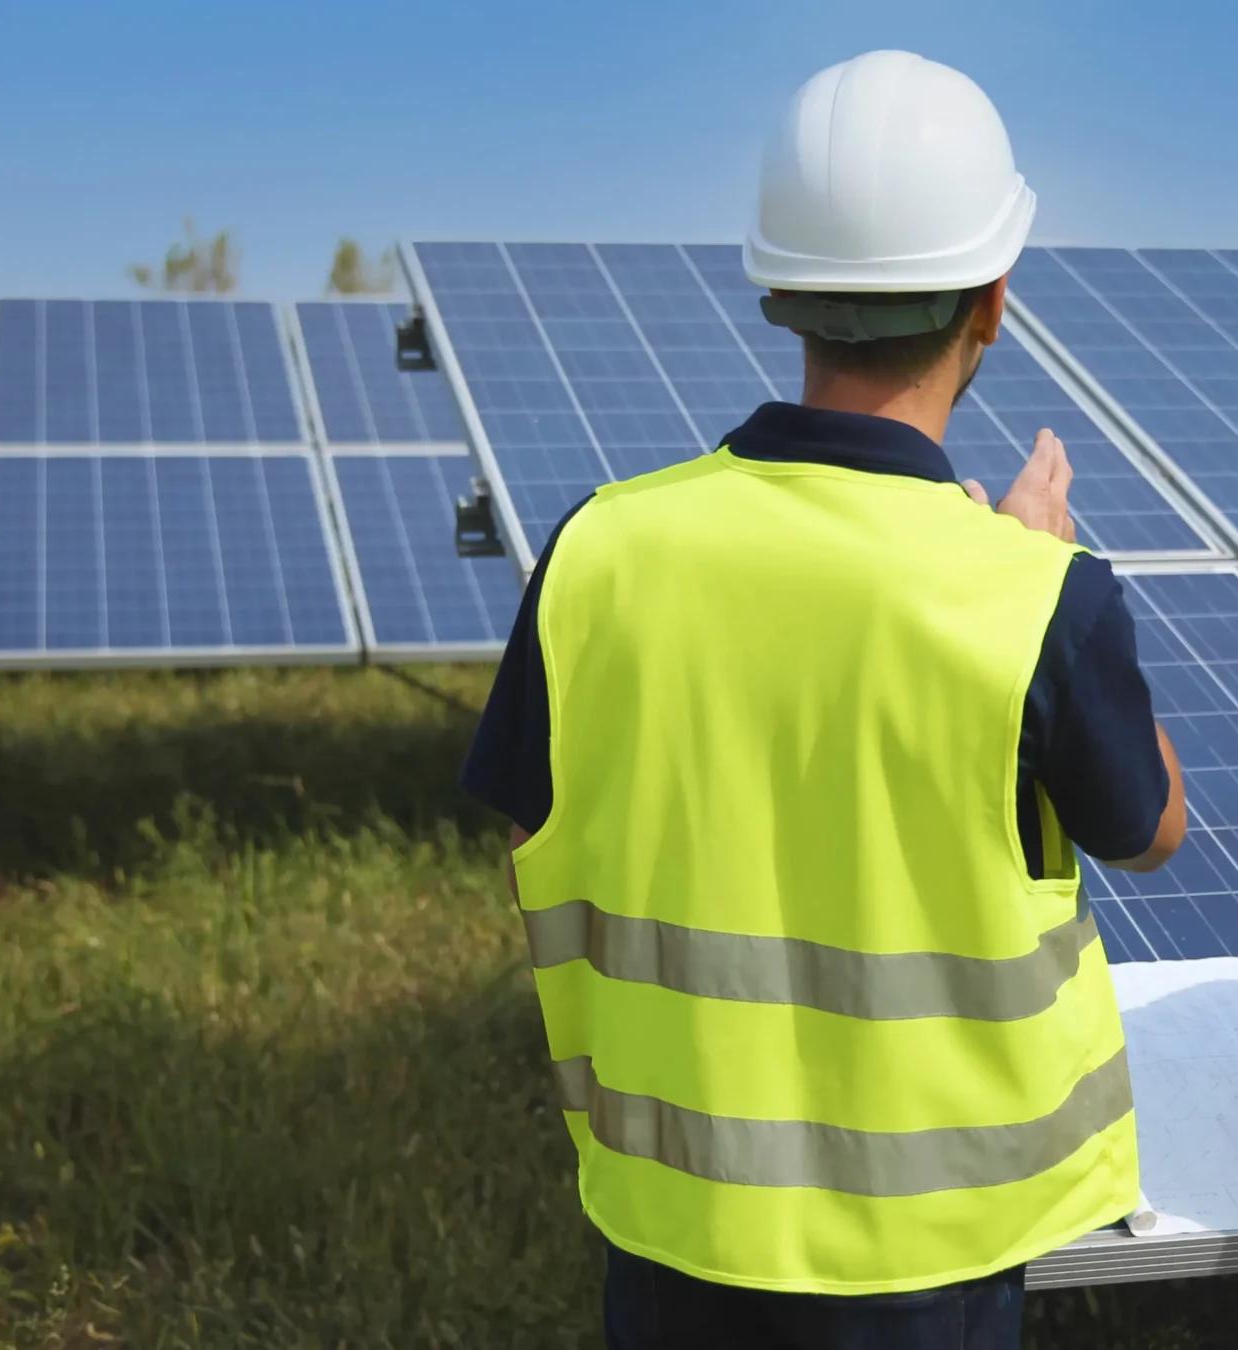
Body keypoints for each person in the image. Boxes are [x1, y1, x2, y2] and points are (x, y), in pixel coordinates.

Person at [458, 49, 1186, 1350]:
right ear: (994, 302)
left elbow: (532, 835)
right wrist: (1039, 567)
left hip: (675, 1241)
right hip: (934, 1267)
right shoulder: (1027, 596)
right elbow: (1149, 826)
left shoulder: (598, 551)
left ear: (781, 289)